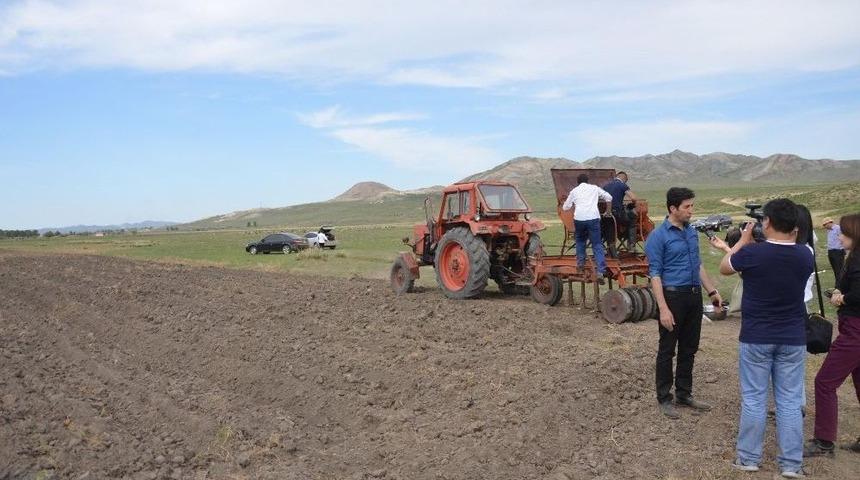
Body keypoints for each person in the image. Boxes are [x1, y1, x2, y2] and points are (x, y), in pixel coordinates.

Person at [711, 198, 813, 477]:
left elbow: (724, 267)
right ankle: (791, 465)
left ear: (766, 222)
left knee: (754, 399)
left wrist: (743, 240)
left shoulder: (753, 254)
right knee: (790, 401)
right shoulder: (805, 255)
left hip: (756, 336)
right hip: (792, 337)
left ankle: (748, 459)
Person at [644, 187, 723, 420]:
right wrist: (664, 309)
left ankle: (684, 394)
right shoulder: (658, 237)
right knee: (667, 349)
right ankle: (664, 398)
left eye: (692, 206)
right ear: (672, 208)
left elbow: (697, 265)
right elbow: (655, 274)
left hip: (693, 295)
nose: (691, 211)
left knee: (689, 347)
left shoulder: (691, 233)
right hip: (672, 296)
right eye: (686, 207)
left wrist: (712, 291)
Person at [805, 213, 860, 458]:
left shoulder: (858, 260)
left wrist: (843, 298)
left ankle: (824, 441)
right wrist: (840, 289)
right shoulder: (854, 257)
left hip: (855, 332)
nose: (839, 235)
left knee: (824, 382)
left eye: (844, 232)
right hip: (854, 328)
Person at [562, 173, 612, 281]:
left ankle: (580, 264)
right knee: (597, 244)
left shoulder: (574, 191)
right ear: (587, 181)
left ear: (578, 182)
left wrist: (573, 204)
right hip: (593, 219)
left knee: (580, 242)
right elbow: (609, 197)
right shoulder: (594, 188)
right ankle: (601, 271)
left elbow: (566, 207)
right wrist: (608, 212)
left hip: (579, 219)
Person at [603, 171, 639, 251]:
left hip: (607, 214)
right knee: (632, 220)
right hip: (617, 214)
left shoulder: (606, 186)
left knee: (609, 227)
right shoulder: (622, 185)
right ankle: (631, 246)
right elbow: (633, 198)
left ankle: (610, 249)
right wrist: (633, 205)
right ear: (624, 178)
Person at [824, 217, 845, 284]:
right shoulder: (828, 230)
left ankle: (840, 285)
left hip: (838, 251)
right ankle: (838, 284)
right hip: (831, 252)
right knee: (835, 269)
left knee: (839, 269)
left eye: (825, 224)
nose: (824, 226)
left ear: (830, 223)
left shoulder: (838, 228)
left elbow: (843, 238)